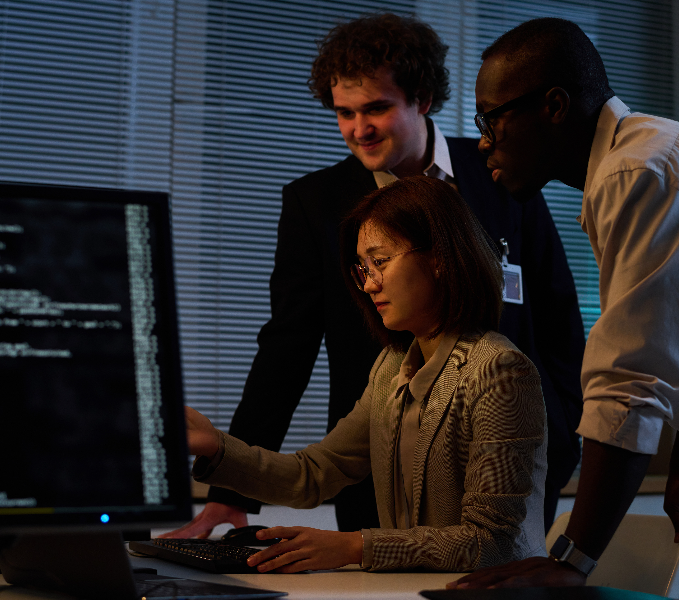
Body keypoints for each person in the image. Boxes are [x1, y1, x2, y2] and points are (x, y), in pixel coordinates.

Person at [164, 12, 584, 539]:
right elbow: (285, 349)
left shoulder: (501, 171)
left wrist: (567, 435)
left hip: (508, 456)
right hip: (373, 462)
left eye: (377, 108)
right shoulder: (315, 204)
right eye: (343, 113)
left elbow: (558, 315)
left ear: (422, 98)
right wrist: (230, 495)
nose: (358, 129)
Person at [447, 17, 679, 599]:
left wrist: (572, 557)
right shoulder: (649, 155)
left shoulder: (639, 174)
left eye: (492, 118)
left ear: (554, 105)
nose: (484, 140)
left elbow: (631, 377)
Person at [184, 176, 548, 573]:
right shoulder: (392, 367)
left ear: (439, 258)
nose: (369, 283)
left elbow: (489, 542)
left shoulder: (499, 370)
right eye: (362, 267)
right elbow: (314, 474)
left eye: (381, 261)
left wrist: (356, 546)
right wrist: (215, 446)